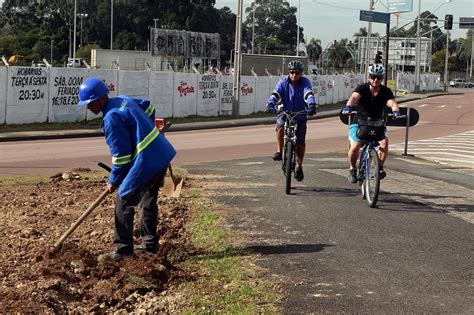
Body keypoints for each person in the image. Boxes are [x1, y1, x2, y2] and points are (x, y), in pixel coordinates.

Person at [78, 77, 176, 261]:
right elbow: (148, 108)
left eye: (90, 103)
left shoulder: (111, 118)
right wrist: (145, 130)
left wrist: (113, 181)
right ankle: (149, 244)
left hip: (147, 161)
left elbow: (121, 158)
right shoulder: (122, 100)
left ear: (101, 98)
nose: (88, 107)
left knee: (124, 200)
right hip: (161, 153)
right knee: (148, 198)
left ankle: (123, 251)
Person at [342, 64, 401, 184]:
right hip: (359, 123)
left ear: (382, 78)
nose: (375, 80)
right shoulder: (362, 88)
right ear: (369, 77)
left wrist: (396, 111)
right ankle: (352, 169)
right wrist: (348, 106)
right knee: (355, 146)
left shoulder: (385, 91)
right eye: (373, 77)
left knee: (384, 142)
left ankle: (379, 167)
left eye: (378, 78)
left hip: (377, 123)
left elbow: (392, 103)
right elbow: (354, 97)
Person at [266, 60, 317, 182]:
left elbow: (308, 94)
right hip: (285, 112)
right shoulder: (283, 82)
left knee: (300, 142)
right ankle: (279, 151)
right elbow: (276, 94)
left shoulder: (305, 82)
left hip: (300, 114)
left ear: (301, 73)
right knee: (280, 126)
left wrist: (311, 105)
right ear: (289, 73)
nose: (294, 75)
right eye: (292, 72)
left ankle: (299, 166)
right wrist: (270, 104)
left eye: (297, 73)